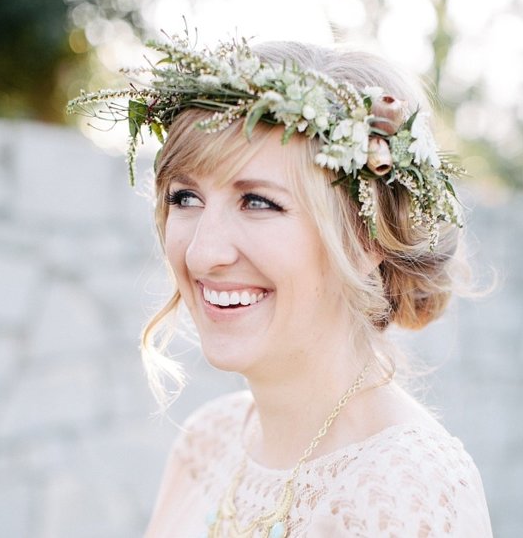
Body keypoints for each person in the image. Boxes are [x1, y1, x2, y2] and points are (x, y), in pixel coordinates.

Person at [70, 34, 493, 537]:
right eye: (185, 197)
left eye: (258, 203)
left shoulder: (402, 494)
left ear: (365, 237)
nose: (203, 252)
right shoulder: (209, 441)